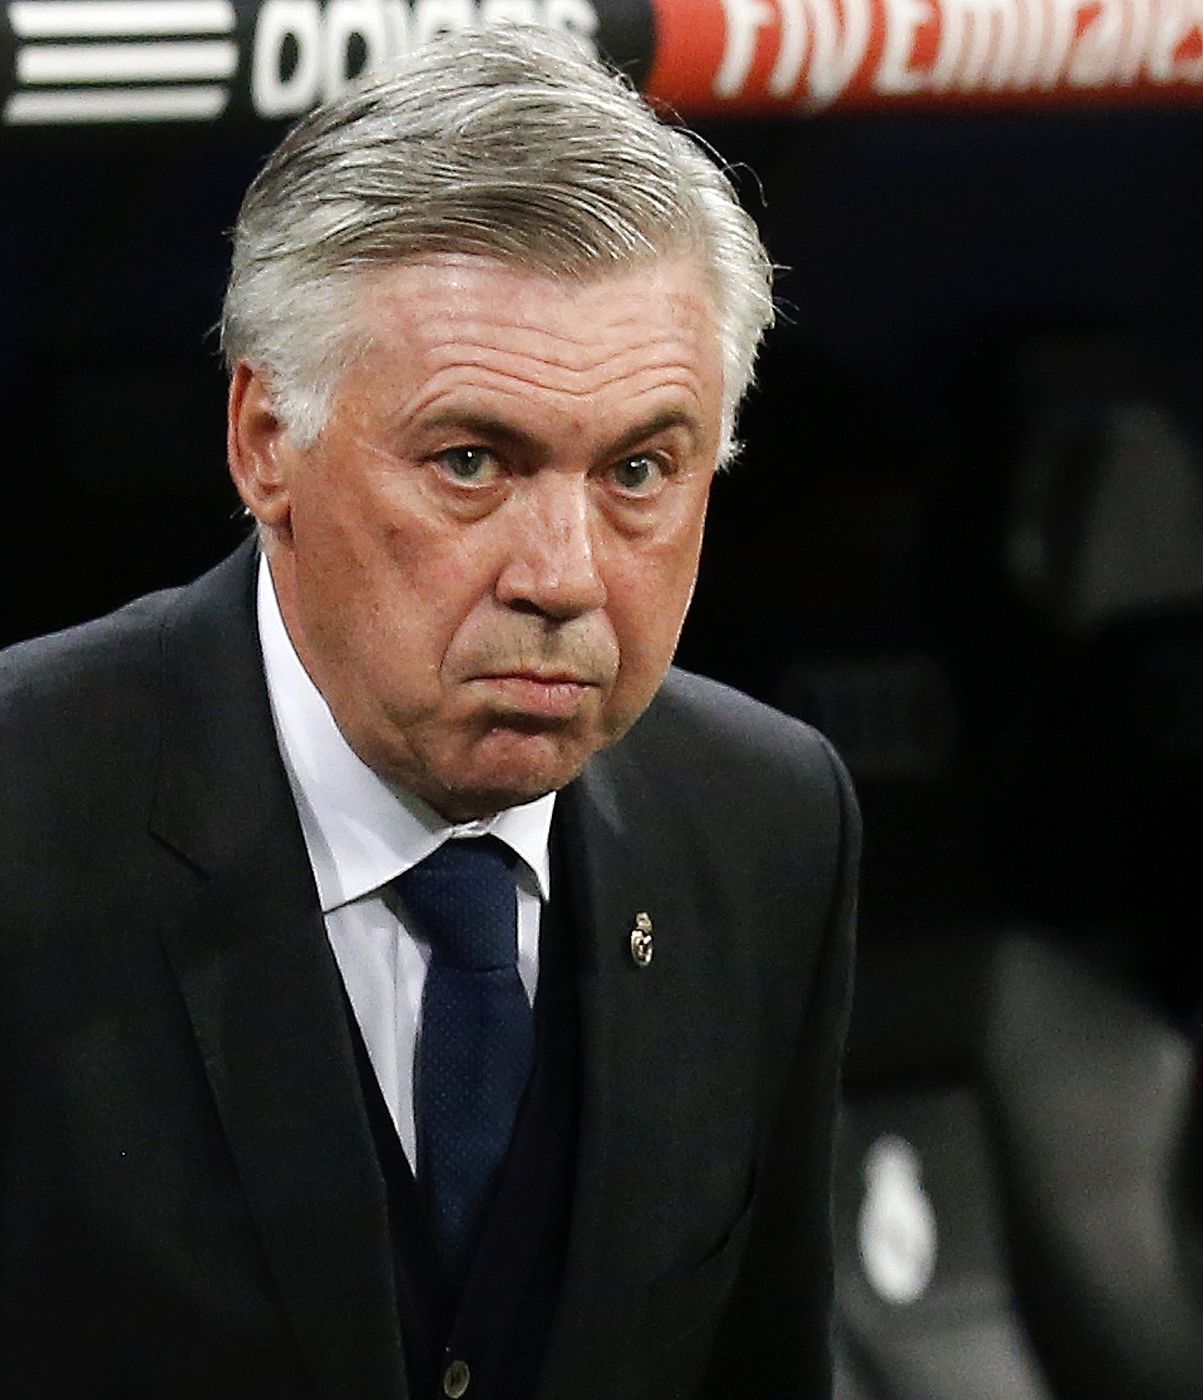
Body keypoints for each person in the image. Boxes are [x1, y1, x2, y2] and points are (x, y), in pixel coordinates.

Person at [0, 26, 858, 1400]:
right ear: (266, 441)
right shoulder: (24, 804)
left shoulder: (765, 817)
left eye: (642, 468)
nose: (565, 577)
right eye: (472, 461)